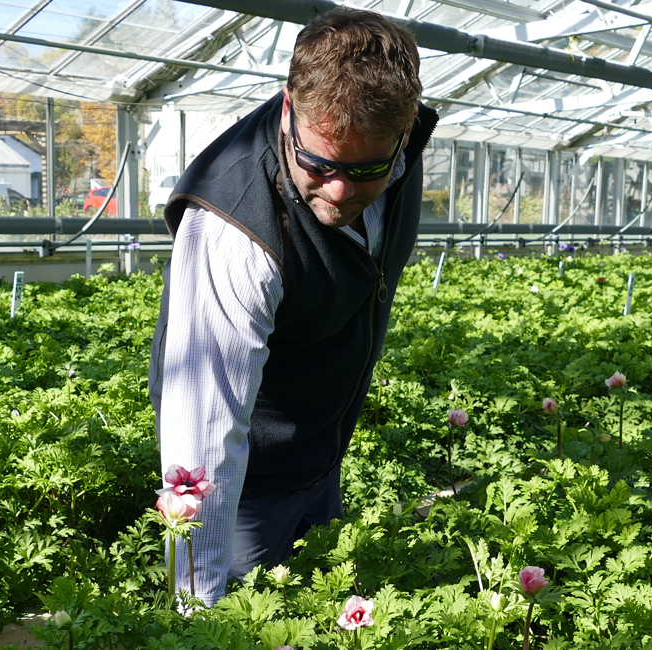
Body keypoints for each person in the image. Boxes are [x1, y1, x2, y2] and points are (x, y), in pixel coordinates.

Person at [148, 7, 437, 606]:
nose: (338, 190)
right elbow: (206, 431)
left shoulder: (398, 154)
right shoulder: (235, 230)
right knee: (243, 620)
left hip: (322, 455)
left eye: (365, 170)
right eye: (320, 163)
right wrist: (198, 614)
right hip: (246, 488)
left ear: (403, 135)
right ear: (289, 109)